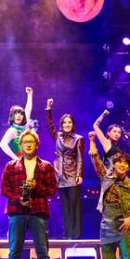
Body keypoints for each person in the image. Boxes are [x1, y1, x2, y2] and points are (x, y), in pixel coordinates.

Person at [0, 129, 58, 259]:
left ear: (37, 145)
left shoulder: (45, 166)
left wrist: (36, 188)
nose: (28, 144)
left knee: (43, 254)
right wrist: (19, 198)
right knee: (14, 253)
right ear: (21, 145)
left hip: (38, 212)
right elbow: (4, 189)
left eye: (32, 142)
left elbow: (52, 188)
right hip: (17, 212)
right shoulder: (11, 166)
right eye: (25, 142)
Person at [45, 98, 84, 239]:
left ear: (73, 124)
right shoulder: (58, 136)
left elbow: (80, 157)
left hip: (72, 172)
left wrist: (79, 174)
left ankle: (76, 234)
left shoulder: (78, 138)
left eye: (69, 122)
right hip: (60, 173)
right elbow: (50, 125)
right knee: (65, 206)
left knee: (74, 205)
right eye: (64, 122)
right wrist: (48, 108)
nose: (67, 124)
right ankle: (67, 234)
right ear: (61, 124)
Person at [0, 87, 34, 160]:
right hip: (20, 163)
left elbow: (28, 110)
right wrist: (16, 158)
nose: (18, 115)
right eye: (16, 113)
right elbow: (2, 144)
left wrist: (29, 95)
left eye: (21, 114)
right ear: (12, 116)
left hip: (30, 161)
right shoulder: (12, 130)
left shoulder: (24, 126)